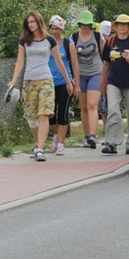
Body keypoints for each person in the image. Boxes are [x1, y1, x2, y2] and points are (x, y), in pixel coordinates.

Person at [9, 11, 73, 161]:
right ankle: (39, 143)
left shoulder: (50, 41)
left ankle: (40, 150)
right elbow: (20, 62)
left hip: (46, 80)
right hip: (29, 81)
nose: (31, 24)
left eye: (33, 21)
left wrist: (69, 81)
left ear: (39, 22)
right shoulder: (24, 41)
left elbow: (59, 62)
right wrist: (13, 80)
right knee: (31, 118)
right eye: (28, 22)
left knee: (44, 114)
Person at [100, 14, 129, 155]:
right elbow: (106, 63)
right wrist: (102, 82)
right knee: (113, 109)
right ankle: (112, 142)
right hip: (114, 81)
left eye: (125, 24)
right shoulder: (110, 42)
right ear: (116, 26)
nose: (122, 27)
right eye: (120, 24)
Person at [47, 15, 80, 156]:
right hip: (48, 81)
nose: (54, 32)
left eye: (57, 29)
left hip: (64, 82)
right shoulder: (46, 42)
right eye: (52, 28)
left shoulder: (68, 43)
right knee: (49, 114)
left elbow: (74, 64)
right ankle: (56, 134)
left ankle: (60, 143)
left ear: (61, 29)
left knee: (62, 114)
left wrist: (76, 84)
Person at [72, 10, 104, 148]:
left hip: (96, 72)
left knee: (92, 104)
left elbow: (105, 55)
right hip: (80, 74)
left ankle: (92, 135)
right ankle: (87, 138)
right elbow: (72, 60)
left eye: (87, 24)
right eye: (83, 24)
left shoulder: (97, 36)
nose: (85, 26)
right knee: (83, 106)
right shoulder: (73, 37)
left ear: (91, 25)